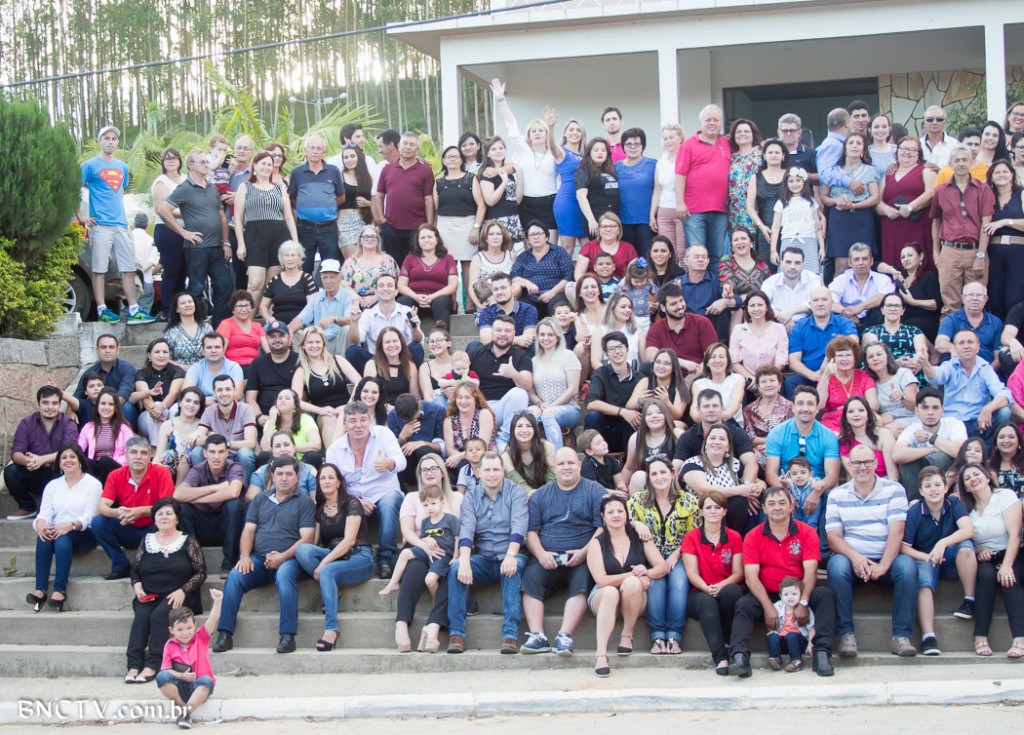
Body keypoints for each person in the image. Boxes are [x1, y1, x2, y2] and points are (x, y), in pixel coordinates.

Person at [730, 486, 837, 677]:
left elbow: (811, 572)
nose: (777, 507)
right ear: (764, 509)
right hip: (768, 593)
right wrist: (768, 607)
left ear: (792, 506)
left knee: (825, 594)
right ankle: (740, 658)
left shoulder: (807, 532)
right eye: (771, 504)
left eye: (782, 503)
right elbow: (751, 577)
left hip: (799, 591)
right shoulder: (753, 536)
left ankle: (821, 653)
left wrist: (803, 602)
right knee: (743, 605)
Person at [212, 456, 315, 654]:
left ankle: (287, 636)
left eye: (289, 474)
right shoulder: (259, 500)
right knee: (235, 576)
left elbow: (307, 538)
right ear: (272, 476)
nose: (284, 478)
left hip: (290, 560)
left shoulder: (304, 502)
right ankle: (225, 634)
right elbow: (248, 531)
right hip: (259, 559)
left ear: (297, 477)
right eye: (280, 474)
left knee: (284, 575)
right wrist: (244, 556)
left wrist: (281, 557)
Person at [824, 444, 917, 657]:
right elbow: (833, 537)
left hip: (887, 559)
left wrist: (883, 565)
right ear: (849, 465)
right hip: (853, 561)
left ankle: (901, 636)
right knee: (836, 566)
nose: (862, 467)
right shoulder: (836, 494)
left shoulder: (894, 490)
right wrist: (856, 558)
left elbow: (897, 532)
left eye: (867, 462)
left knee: (908, 567)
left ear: (876, 463)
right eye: (857, 463)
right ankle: (846, 635)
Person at [520, 448, 605, 656]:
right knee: (530, 578)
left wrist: (585, 552)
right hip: (548, 557)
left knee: (582, 583)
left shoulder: (595, 491)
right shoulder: (540, 495)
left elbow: (602, 528)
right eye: (561, 464)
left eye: (570, 463)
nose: (566, 467)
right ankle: (538, 635)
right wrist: (541, 554)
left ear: (579, 465)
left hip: (583, 557)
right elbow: (531, 532)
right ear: (554, 468)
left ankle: (564, 636)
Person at [447, 451, 529, 655]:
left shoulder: (516, 492)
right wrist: (464, 560)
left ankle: (510, 635)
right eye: (487, 470)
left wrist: (510, 555)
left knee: (512, 569)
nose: (492, 474)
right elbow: (466, 530)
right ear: (479, 472)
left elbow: (519, 526)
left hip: (512, 552)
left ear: (503, 471)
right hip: (484, 558)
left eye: (496, 469)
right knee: (456, 568)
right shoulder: (471, 496)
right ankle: (456, 634)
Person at [292, 462, 375, 651]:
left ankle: (331, 628)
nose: (327, 481)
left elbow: (349, 541)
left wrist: (323, 563)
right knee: (302, 551)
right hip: (334, 556)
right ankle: (332, 590)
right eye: (322, 478)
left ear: (339, 482)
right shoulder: (320, 507)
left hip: (359, 557)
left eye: (331, 477)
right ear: (318, 483)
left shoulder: (352, 503)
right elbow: (314, 543)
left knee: (327, 571)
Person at [125, 497, 206, 684]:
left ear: (177, 518)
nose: (164, 517)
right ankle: (134, 665)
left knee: (159, 616)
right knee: (141, 618)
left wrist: (183, 591)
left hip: (179, 596)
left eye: (169, 513)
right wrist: (137, 585)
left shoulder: (188, 541)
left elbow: (201, 573)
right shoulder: (147, 540)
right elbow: (135, 570)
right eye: (159, 514)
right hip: (150, 595)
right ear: (154, 519)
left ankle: (153, 664)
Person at [587, 493, 668, 677]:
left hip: (633, 599)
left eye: (620, 511)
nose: (616, 515)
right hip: (603, 598)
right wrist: (633, 574)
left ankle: (627, 634)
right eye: (610, 512)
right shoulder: (596, 543)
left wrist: (646, 573)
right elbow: (601, 580)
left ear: (626, 514)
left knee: (632, 583)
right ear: (603, 516)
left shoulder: (640, 536)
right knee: (610, 591)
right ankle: (601, 654)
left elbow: (662, 567)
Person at [900, 466, 977, 656]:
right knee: (923, 580)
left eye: (937, 485)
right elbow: (904, 547)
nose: (933, 489)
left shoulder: (954, 504)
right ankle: (928, 637)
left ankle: (970, 600)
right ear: (921, 491)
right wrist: (926, 556)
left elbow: (968, 530)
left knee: (966, 547)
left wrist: (942, 543)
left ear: (945, 487)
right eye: (928, 486)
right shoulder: (914, 513)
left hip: (950, 558)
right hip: (926, 559)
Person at [325, 401, 406, 578]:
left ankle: (385, 559)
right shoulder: (334, 450)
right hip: (353, 500)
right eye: (352, 421)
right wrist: (355, 501)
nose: (358, 425)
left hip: (384, 493)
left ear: (369, 421)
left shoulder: (384, 434)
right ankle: (348, 555)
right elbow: (333, 484)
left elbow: (401, 461)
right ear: (344, 424)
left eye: (363, 420)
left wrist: (388, 463)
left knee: (389, 502)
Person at [80, 125, 152, 323]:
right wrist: (82, 216)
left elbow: (119, 191)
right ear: (100, 141)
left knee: (128, 268)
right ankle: (102, 309)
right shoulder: (89, 165)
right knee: (99, 268)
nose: (110, 142)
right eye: (106, 138)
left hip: (121, 225)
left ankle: (134, 309)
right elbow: (74, 189)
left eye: (113, 138)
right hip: (100, 225)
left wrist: (122, 218)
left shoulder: (122, 167)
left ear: (117, 142)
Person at [627, 456, 698, 655]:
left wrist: (676, 554)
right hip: (649, 555)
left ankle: (674, 635)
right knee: (655, 585)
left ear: (672, 473)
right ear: (649, 478)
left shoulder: (688, 500)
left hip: (680, 554)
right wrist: (635, 524)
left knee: (679, 583)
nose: (659, 477)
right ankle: (657, 636)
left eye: (663, 472)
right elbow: (623, 522)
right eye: (654, 474)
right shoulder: (637, 500)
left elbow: (694, 533)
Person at [392, 453, 463, 651]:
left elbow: (463, 531)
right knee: (415, 569)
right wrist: (424, 544)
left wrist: (457, 554)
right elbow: (407, 531)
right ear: (419, 474)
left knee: (448, 574)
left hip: (446, 550)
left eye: (433, 468)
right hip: (417, 546)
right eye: (424, 470)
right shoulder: (412, 497)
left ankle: (433, 626)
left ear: (442, 472)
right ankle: (401, 623)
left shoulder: (457, 498)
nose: (429, 473)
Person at [157, 149, 233, 326]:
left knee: (225, 285)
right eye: (203, 162)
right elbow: (162, 210)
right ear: (191, 165)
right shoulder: (184, 188)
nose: (207, 165)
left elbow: (222, 217)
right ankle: (196, 326)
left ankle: (218, 326)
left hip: (216, 247)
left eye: (207, 162)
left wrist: (226, 242)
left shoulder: (212, 187)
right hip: (196, 248)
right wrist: (183, 232)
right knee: (197, 288)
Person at [957, 463, 1024, 658]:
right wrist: (978, 549)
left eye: (976, 474)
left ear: (987, 477)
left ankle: (1020, 639)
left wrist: (1007, 566)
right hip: (987, 557)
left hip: (1014, 552)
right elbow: (967, 536)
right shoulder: (967, 510)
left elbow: (1015, 533)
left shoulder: (1005, 496)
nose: (973, 479)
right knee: (985, 577)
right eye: (967, 478)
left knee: (1009, 580)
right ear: (965, 487)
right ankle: (980, 637)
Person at [25, 444, 101, 612]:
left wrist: (70, 525)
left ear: (80, 460)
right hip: (58, 530)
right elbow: (44, 513)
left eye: (72, 457)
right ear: (59, 463)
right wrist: (40, 524)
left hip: (83, 532)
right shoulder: (53, 486)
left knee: (61, 539)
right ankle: (40, 589)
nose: (68, 460)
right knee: (44, 538)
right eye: (64, 457)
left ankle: (60, 589)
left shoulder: (93, 485)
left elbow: (90, 517)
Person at [681, 490, 745, 675]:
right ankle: (720, 657)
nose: (713, 511)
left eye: (717, 507)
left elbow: (738, 573)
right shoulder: (691, 537)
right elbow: (692, 572)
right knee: (707, 603)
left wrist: (721, 586)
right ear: (701, 511)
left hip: (726, 586)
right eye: (708, 507)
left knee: (731, 593)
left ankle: (730, 642)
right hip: (700, 590)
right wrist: (707, 588)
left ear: (724, 511)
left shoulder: (734, 536)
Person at [91, 438, 175, 580]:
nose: (138, 457)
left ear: (150, 456)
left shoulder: (161, 473)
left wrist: (140, 511)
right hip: (127, 527)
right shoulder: (116, 475)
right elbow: (102, 506)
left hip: (153, 529)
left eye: (143, 453)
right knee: (98, 522)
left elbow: (168, 506)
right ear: (126, 455)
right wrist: (117, 512)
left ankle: (155, 566)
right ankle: (120, 565)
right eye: (134, 452)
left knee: (168, 518)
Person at [930, 145, 995, 315]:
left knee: (976, 301)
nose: (961, 164)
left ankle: (975, 333)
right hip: (950, 250)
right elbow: (936, 221)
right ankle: (949, 333)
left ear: (971, 162)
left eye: (965, 160)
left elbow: (986, 224)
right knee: (950, 304)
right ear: (950, 164)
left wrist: (981, 255)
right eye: (957, 160)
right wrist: (936, 252)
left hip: (975, 250)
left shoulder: (983, 189)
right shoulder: (940, 191)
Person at [764, 386, 842, 528]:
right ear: (793, 407)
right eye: (800, 403)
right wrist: (786, 495)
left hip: (817, 486)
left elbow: (832, 474)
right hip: (787, 485)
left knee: (831, 495)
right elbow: (770, 473)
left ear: (817, 409)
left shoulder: (828, 436)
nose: (805, 408)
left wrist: (816, 493)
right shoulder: (777, 433)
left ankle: (823, 541)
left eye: (810, 404)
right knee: (772, 497)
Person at [920, 330, 1012, 450]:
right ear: (955, 348)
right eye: (961, 343)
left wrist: (988, 408)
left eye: (970, 342)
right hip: (954, 424)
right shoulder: (949, 366)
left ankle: (988, 455)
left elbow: (1005, 394)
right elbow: (935, 376)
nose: (966, 346)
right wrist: (925, 364)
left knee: (1004, 412)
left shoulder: (985, 368)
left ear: (978, 347)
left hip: (979, 422)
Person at [233, 150, 299, 303]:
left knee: (271, 284)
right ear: (255, 166)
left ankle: (263, 316)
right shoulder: (245, 187)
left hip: (279, 236)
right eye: (263, 163)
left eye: (270, 164)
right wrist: (241, 244)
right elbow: (237, 219)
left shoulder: (279, 188)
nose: (266, 167)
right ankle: (247, 316)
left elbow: (288, 217)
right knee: (255, 283)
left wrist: (295, 243)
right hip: (255, 237)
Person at [5, 386, 80, 521]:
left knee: (65, 464)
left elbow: (70, 451)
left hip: (57, 474)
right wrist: (29, 461)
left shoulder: (68, 423)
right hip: (34, 473)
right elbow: (16, 453)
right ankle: (27, 507)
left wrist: (42, 459)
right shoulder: (27, 423)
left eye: (54, 403)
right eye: (45, 403)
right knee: (11, 471)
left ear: (59, 405)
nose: (50, 407)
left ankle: (59, 508)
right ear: (38, 404)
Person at [175, 434, 244, 579]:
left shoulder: (234, 467)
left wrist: (197, 498)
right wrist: (216, 488)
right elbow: (178, 495)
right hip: (202, 526)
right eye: (212, 452)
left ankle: (229, 563)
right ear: (205, 453)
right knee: (182, 506)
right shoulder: (198, 470)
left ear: (226, 453)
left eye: (220, 452)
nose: (216, 457)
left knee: (234, 505)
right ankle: (193, 562)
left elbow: (233, 492)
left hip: (226, 527)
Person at [379, 484, 458, 608]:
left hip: (442, 554)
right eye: (425, 505)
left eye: (433, 503)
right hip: (428, 551)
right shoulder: (425, 522)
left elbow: (457, 538)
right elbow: (423, 538)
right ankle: (393, 583)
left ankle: (436, 603)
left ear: (442, 502)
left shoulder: (450, 519)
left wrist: (456, 556)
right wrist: (427, 539)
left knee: (429, 580)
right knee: (405, 553)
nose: (429, 508)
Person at [156, 588, 223, 729]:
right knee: (162, 677)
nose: (185, 633)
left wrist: (217, 602)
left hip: (199, 687)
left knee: (207, 680)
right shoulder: (169, 645)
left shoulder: (201, 637)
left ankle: (185, 713)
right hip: (180, 688)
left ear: (194, 626)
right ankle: (183, 709)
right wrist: (181, 676)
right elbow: (166, 669)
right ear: (171, 630)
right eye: (180, 629)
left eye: (189, 628)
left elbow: (213, 619)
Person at [680, 423, 764, 534]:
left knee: (751, 501)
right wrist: (740, 490)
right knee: (719, 505)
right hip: (702, 513)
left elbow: (758, 481)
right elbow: (705, 490)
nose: (717, 442)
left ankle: (745, 539)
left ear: (728, 447)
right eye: (712, 438)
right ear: (705, 443)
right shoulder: (692, 464)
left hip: (729, 515)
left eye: (722, 439)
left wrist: (758, 487)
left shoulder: (734, 464)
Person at [675, 104, 730, 267]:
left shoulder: (727, 143)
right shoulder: (689, 144)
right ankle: (697, 283)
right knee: (696, 253)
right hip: (694, 210)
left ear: (721, 123)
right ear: (701, 123)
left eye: (716, 120)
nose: (712, 123)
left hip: (720, 209)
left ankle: (713, 283)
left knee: (717, 254)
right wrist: (680, 202)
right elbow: (680, 175)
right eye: (708, 120)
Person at [468, 314, 533, 448]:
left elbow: (528, 385)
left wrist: (513, 374)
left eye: (507, 331)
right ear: (492, 332)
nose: (502, 334)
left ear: (514, 334)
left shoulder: (521, 356)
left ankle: (504, 439)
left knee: (520, 393)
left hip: (504, 409)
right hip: (479, 408)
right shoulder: (476, 353)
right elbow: (459, 376)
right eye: (498, 330)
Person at [820, 132, 880, 278]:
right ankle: (836, 293)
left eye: (859, 143)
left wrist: (853, 206)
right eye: (851, 143)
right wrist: (837, 200)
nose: (854, 146)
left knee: (862, 263)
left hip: (861, 219)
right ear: (845, 148)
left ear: (863, 149)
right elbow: (824, 197)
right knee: (841, 265)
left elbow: (875, 198)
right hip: (839, 219)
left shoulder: (869, 170)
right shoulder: (833, 171)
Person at [291, 325, 361, 446]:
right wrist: (321, 410)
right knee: (330, 419)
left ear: (323, 343)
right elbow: (295, 400)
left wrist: (348, 406)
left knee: (345, 417)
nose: (314, 345)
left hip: (347, 407)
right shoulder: (301, 370)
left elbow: (360, 383)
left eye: (318, 342)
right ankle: (333, 456)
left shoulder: (337, 360)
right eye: (310, 342)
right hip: (322, 413)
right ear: (303, 345)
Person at [784, 287, 858, 398]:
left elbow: (853, 342)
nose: (820, 303)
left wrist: (828, 364)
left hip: (838, 374)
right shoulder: (799, 327)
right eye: (815, 300)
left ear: (832, 303)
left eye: (824, 299)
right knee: (790, 382)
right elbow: (793, 360)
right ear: (810, 304)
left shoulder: (844, 323)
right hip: (810, 376)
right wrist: (813, 375)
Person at [375, 132, 436, 264]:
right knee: (392, 265)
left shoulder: (425, 171)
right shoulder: (387, 169)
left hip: (416, 228)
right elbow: (379, 196)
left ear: (417, 149)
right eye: (405, 143)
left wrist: (429, 226)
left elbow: (428, 200)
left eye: (412, 144)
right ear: (399, 146)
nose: (408, 147)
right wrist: (381, 220)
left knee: (415, 265)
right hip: (390, 228)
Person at [286, 135, 344, 272]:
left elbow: (341, 197)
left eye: (319, 148)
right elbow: (292, 197)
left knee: (331, 267)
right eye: (312, 148)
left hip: (328, 228)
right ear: (305, 150)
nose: (315, 151)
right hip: (305, 228)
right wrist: (305, 206)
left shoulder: (333, 171)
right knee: (304, 267)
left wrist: (326, 205)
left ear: (323, 151)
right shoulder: (297, 173)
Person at [878, 136, 937, 269]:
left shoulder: (926, 170)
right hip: (891, 229)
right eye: (903, 148)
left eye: (912, 149)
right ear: (897, 151)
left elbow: (931, 193)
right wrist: (886, 210)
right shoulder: (888, 174)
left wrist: (911, 207)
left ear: (918, 154)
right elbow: (877, 201)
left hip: (917, 226)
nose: (907, 152)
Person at [347, 273, 424, 374]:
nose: (385, 289)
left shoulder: (407, 311)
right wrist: (354, 322)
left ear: (396, 291)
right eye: (381, 286)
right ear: (376, 292)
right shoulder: (368, 314)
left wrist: (414, 329)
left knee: (416, 348)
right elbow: (355, 340)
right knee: (352, 351)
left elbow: (418, 340)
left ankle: (406, 378)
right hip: (377, 362)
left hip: (402, 362)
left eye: (389, 285)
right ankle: (373, 379)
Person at [189, 375, 258, 485]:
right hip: (217, 456)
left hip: (238, 456)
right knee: (197, 452)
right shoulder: (209, 411)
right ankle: (207, 489)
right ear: (214, 393)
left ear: (234, 391)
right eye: (220, 390)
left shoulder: (246, 409)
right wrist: (208, 439)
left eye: (228, 389)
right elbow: (196, 440)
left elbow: (251, 443)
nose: (224, 393)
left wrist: (223, 443)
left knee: (245, 453)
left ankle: (245, 490)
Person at [583, 331, 643, 454]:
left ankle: (631, 460)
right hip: (603, 431)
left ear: (627, 349)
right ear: (606, 354)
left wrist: (628, 413)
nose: (617, 351)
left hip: (627, 431)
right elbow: (591, 403)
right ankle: (594, 459)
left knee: (634, 417)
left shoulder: (639, 378)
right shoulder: (600, 374)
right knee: (593, 416)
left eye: (620, 347)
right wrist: (622, 412)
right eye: (611, 349)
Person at [434, 146, 478, 310]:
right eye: (448, 156)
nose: (452, 159)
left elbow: (481, 205)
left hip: (467, 224)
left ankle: (470, 303)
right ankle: (451, 302)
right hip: (445, 226)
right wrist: (433, 230)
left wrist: (476, 227)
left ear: (461, 160)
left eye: (455, 156)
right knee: (449, 264)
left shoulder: (471, 179)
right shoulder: (438, 182)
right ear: (444, 160)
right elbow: (434, 208)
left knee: (467, 265)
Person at [528, 317, 581, 450]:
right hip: (543, 407)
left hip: (568, 408)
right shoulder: (534, 361)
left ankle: (557, 457)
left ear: (557, 337)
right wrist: (540, 404)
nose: (546, 338)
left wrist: (552, 406)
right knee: (527, 415)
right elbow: (531, 391)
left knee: (548, 414)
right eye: (542, 334)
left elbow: (573, 389)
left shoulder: (568, 356)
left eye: (550, 334)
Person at [287, 258, 358, 355]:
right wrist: (290, 330)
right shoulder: (316, 297)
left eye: (332, 277)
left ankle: (342, 362)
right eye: (325, 278)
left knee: (347, 329)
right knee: (295, 331)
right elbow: (302, 318)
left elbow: (351, 320)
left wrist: (334, 319)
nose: (328, 281)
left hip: (338, 341)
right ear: (321, 278)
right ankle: (301, 363)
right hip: (318, 341)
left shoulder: (350, 296)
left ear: (340, 277)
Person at [644, 282, 717, 374]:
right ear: (663, 308)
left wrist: (688, 380)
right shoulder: (656, 328)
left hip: (697, 374)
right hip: (668, 374)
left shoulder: (702, 322)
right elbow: (650, 356)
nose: (680, 306)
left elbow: (712, 356)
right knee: (645, 368)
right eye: (673, 304)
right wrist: (681, 362)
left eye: (681, 301)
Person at [397, 223, 459, 330]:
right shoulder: (410, 258)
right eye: (422, 238)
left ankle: (442, 337)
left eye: (430, 237)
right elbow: (401, 285)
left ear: (437, 240)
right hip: (415, 300)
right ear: (418, 241)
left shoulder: (448, 258)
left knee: (440, 302)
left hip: (439, 300)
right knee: (403, 302)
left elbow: (453, 285)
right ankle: (405, 337)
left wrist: (432, 297)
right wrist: (416, 297)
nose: (426, 240)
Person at [984, 159, 1024, 319]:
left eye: (1005, 171)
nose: (1001, 175)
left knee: (1014, 299)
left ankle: (1015, 332)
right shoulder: (988, 197)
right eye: (997, 172)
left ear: (1012, 174)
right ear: (991, 177)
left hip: (1018, 253)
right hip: (994, 253)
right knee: (995, 299)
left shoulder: (1021, 194)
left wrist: (1005, 222)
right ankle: (999, 334)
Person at [543, 108, 587, 253]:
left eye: (578, 130)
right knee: (568, 247)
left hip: (584, 203)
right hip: (567, 201)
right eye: (571, 129)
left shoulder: (585, 155)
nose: (575, 132)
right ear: (565, 133)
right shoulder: (562, 152)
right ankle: (563, 270)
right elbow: (552, 145)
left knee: (588, 247)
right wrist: (551, 127)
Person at [151, 148, 187, 319]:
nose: (171, 161)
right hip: (167, 230)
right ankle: (167, 311)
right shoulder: (161, 182)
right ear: (163, 162)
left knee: (183, 271)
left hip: (187, 231)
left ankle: (180, 310)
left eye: (174, 158)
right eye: (167, 158)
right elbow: (161, 209)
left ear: (180, 160)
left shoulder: (186, 179)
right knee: (171, 270)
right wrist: (189, 212)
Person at [510, 221, 574, 317]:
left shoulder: (559, 252)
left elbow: (569, 276)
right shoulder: (523, 256)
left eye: (539, 233)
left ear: (546, 237)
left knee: (559, 310)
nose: (536, 237)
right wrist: (527, 283)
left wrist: (552, 292)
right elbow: (514, 276)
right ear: (528, 240)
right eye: (532, 235)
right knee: (522, 310)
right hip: (530, 297)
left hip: (555, 294)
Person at [816, 336, 879, 434]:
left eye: (848, 355)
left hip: (860, 421)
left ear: (854, 358)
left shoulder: (864, 376)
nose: (844, 359)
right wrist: (826, 375)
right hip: (833, 424)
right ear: (833, 359)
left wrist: (854, 411)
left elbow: (873, 405)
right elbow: (819, 405)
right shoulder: (827, 377)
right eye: (840, 355)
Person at [73, 334, 139, 427]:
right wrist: (71, 411)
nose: (107, 351)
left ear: (117, 351)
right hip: (97, 409)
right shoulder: (90, 372)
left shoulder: (127, 368)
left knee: (126, 408)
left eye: (111, 347)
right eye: (103, 347)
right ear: (97, 351)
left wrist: (105, 409)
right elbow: (78, 395)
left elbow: (123, 394)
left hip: (120, 409)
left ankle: (126, 434)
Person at [244, 320, 299, 430]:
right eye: (272, 336)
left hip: (292, 419)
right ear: (267, 339)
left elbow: (302, 396)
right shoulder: (257, 363)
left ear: (289, 338)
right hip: (265, 419)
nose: (277, 339)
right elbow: (250, 398)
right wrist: (258, 416)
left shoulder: (298, 360)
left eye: (281, 335)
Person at [613, 127, 657, 259]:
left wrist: (653, 215)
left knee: (645, 255)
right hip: (623, 220)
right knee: (627, 256)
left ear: (643, 146)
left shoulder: (653, 164)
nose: (633, 147)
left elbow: (658, 190)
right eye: (628, 144)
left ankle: (644, 273)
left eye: (637, 143)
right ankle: (631, 273)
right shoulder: (614, 167)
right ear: (623, 146)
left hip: (645, 220)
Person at [132, 339, 185, 448]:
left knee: (176, 408)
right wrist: (156, 411)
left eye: (165, 352)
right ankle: (157, 449)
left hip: (171, 413)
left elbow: (174, 393)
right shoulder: (141, 373)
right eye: (157, 352)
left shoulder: (177, 371)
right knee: (155, 405)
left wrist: (162, 407)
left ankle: (178, 448)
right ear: (149, 355)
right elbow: (146, 397)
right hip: (148, 417)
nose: (161, 355)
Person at [770, 167, 824, 273]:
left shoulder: (811, 202)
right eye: (791, 181)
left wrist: (822, 247)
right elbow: (775, 227)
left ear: (804, 181)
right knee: (788, 272)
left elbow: (817, 226)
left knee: (810, 273)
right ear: (786, 183)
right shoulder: (781, 203)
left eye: (798, 180)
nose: (795, 184)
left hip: (809, 241)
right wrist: (773, 250)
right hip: (788, 240)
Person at [935, 282, 1003, 365]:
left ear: (985, 299)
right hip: (956, 367)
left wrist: (987, 371)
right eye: (970, 295)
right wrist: (954, 349)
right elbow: (940, 344)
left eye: (979, 295)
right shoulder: (951, 319)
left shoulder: (996, 323)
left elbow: (998, 358)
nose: (975, 298)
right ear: (963, 298)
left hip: (985, 367)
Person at [828, 243, 895, 326]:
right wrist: (848, 313)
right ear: (850, 262)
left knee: (878, 310)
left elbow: (886, 296)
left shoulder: (882, 278)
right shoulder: (841, 280)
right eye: (856, 259)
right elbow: (830, 300)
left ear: (871, 261)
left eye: (865, 259)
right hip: (847, 321)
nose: (861, 263)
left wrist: (860, 307)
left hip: (875, 323)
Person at [473, 134, 524, 243]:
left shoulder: (507, 171)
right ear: (488, 154)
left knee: (509, 252)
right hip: (497, 221)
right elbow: (490, 201)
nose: (498, 151)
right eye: (494, 149)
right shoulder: (487, 173)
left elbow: (516, 200)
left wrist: (520, 177)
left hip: (512, 217)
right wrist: (504, 182)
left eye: (501, 148)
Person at [387, 393, 446, 487]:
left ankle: (432, 490)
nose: (410, 422)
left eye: (412, 418)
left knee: (424, 450)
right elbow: (391, 450)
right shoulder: (393, 415)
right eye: (406, 420)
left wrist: (422, 443)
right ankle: (401, 492)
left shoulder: (437, 411)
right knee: (398, 457)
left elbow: (442, 448)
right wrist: (402, 437)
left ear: (419, 405)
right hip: (407, 463)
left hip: (429, 458)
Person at [729, 290, 788, 383]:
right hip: (747, 380)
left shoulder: (779, 329)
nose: (756, 309)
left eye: (760, 305)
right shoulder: (738, 330)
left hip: (772, 378)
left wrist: (765, 379)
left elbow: (781, 361)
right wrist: (752, 379)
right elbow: (734, 361)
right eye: (752, 306)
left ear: (767, 307)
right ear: (747, 308)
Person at [77, 388, 134, 484]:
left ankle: (108, 491)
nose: (106, 407)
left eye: (111, 404)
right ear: (97, 406)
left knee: (105, 461)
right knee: (87, 462)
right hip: (95, 467)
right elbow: (78, 450)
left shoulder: (124, 428)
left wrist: (114, 461)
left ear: (116, 407)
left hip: (117, 467)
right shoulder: (88, 427)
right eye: (103, 403)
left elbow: (130, 452)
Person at [743, 365, 794, 470]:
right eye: (764, 381)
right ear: (758, 386)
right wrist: (765, 444)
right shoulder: (749, 410)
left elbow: (792, 435)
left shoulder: (790, 407)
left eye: (772, 380)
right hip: (759, 452)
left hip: (783, 449)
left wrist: (771, 445)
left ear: (779, 384)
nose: (768, 385)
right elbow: (750, 437)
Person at [680, 243, 738, 337]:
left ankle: (721, 345)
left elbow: (738, 300)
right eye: (696, 257)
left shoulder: (716, 281)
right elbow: (662, 310)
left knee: (723, 311)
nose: (700, 260)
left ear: (708, 261)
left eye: (704, 257)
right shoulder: (677, 283)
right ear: (686, 261)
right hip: (685, 331)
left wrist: (725, 302)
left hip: (711, 331)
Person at [864, 341, 919, 434]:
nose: (875, 358)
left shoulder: (903, 374)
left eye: (879, 354)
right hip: (886, 423)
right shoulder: (871, 383)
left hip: (911, 418)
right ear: (867, 363)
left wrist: (902, 397)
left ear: (887, 357)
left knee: (886, 432)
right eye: (870, 357)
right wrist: (880, 416)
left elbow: (914, 406)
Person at [838, 395, 898, 481]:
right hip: (860, 483)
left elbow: (893, 474)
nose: (856, 414)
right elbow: (853, 473)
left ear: (868, 414)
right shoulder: (844, 441)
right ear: (846, 417)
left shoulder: (883, 434)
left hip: (885, 482)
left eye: (861, 410)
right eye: (851, 411)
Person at [443, 383, 497, 476]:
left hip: (485, 458)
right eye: (460, 397)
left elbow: (481, 447)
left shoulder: (484, 414)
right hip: (460, 462)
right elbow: (450, 450)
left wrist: (460, 456)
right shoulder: (449, 420)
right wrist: (461, 458)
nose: (463, 401)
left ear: (475, 399)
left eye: (467, 397)